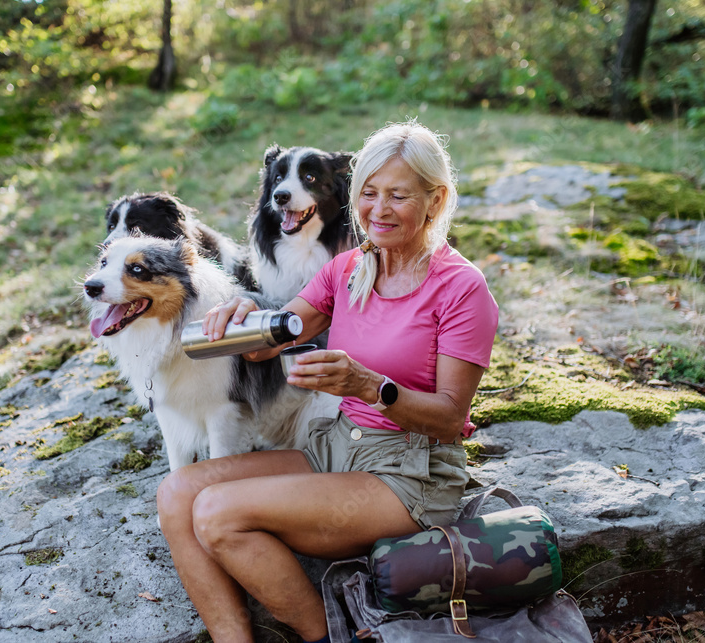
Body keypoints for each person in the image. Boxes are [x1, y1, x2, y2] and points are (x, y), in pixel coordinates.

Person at [156, 121, 499, 643]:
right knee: (178, 492)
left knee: (217, 514)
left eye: (398, 195)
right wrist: (244, 314)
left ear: (436, 200)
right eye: (368, 192)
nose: (378, 210)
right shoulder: (347, 269)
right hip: (334, 446)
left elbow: (451, 419)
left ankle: (327, 636)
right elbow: (271, 341)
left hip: (409, 475)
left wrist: (369, 386)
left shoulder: (462, 288)